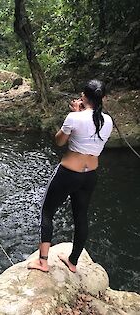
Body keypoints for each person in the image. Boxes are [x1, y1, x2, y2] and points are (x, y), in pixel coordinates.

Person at [28, 79, 113, 273]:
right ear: (104, 99)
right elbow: (91, 134)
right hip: (90, 175)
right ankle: (73, 261)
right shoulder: (108, 121)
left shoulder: (75, 118)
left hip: (68, 172)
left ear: (83, 96)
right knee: (81, 216)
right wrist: (80, 114)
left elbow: (59, 141)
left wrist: (75, 114)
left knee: (47, 212)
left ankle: (43, 262)